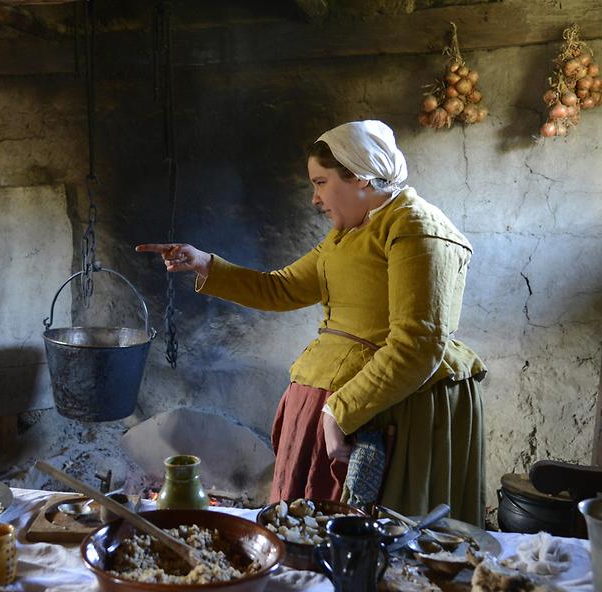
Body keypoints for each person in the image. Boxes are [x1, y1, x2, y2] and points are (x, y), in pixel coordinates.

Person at [137, 120, 486, 525]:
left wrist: (341, 410)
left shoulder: (416, 230)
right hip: (339, 401)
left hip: (390, 407)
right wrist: (204, 264)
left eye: (320, 182)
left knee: (380, 537)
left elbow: (418, 343)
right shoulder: (349, 233)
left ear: (358, 176)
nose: (315, 198)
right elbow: (280, 289)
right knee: (312, 534)